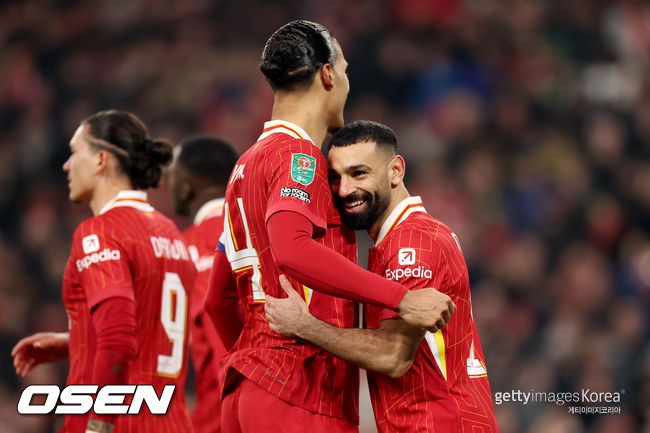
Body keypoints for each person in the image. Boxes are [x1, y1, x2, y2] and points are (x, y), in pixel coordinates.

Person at [206, 21, 455, 433]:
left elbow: (217, 299)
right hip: (301, 391)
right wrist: (401, 298)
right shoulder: (299, 158)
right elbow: (292, 249)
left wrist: (255, 361)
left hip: (250, 390)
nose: (346, 82)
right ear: (327, 75)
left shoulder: (245, 167)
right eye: (345, 70)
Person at [265, 121, 500, 433]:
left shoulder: (411, 242)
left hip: (437, 423)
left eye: (359, 173)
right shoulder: (405, 238)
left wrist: (304, 326)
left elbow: (393, 356)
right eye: (335, 178)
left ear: (396, 171)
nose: (345, 190)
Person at [12, 110, 196, 433]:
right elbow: (152, 327)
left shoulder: (101, 232)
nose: (66, 165)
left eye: (74, 152)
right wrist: (76, 339)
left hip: (121, 422)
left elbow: (118, 338)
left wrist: (99, 423)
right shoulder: (172, 235)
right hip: (171, 421)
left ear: (101, 160)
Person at [168, 134, 239, 433]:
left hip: (224, 416)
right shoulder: (265, 227)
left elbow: (221, 343)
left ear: (186, 186)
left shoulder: (187, 248)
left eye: (172, 176)